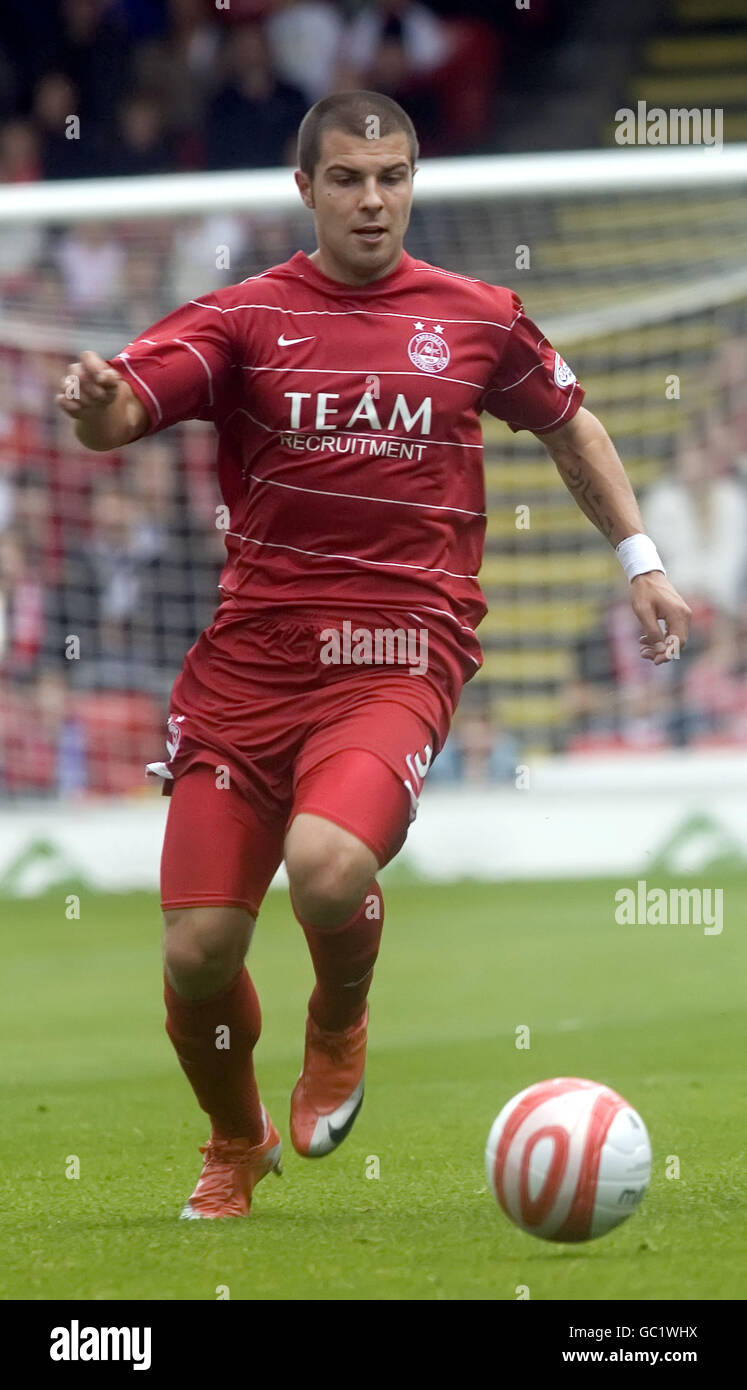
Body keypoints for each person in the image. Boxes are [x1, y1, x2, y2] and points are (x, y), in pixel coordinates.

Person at [55, 90, 691, 1220]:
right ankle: (236, 1139)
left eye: (392, 177)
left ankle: (338, 1021)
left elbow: (568, 420)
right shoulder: (243, 319)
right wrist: (96, 404)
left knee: (329, 864)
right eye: (347, 178)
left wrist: (640, 556)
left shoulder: (479, 315)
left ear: (413, 184)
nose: (372, 199)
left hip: (399, 649)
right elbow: (117, 415)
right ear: (305, 189)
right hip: (248, 669)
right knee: (199, 953)